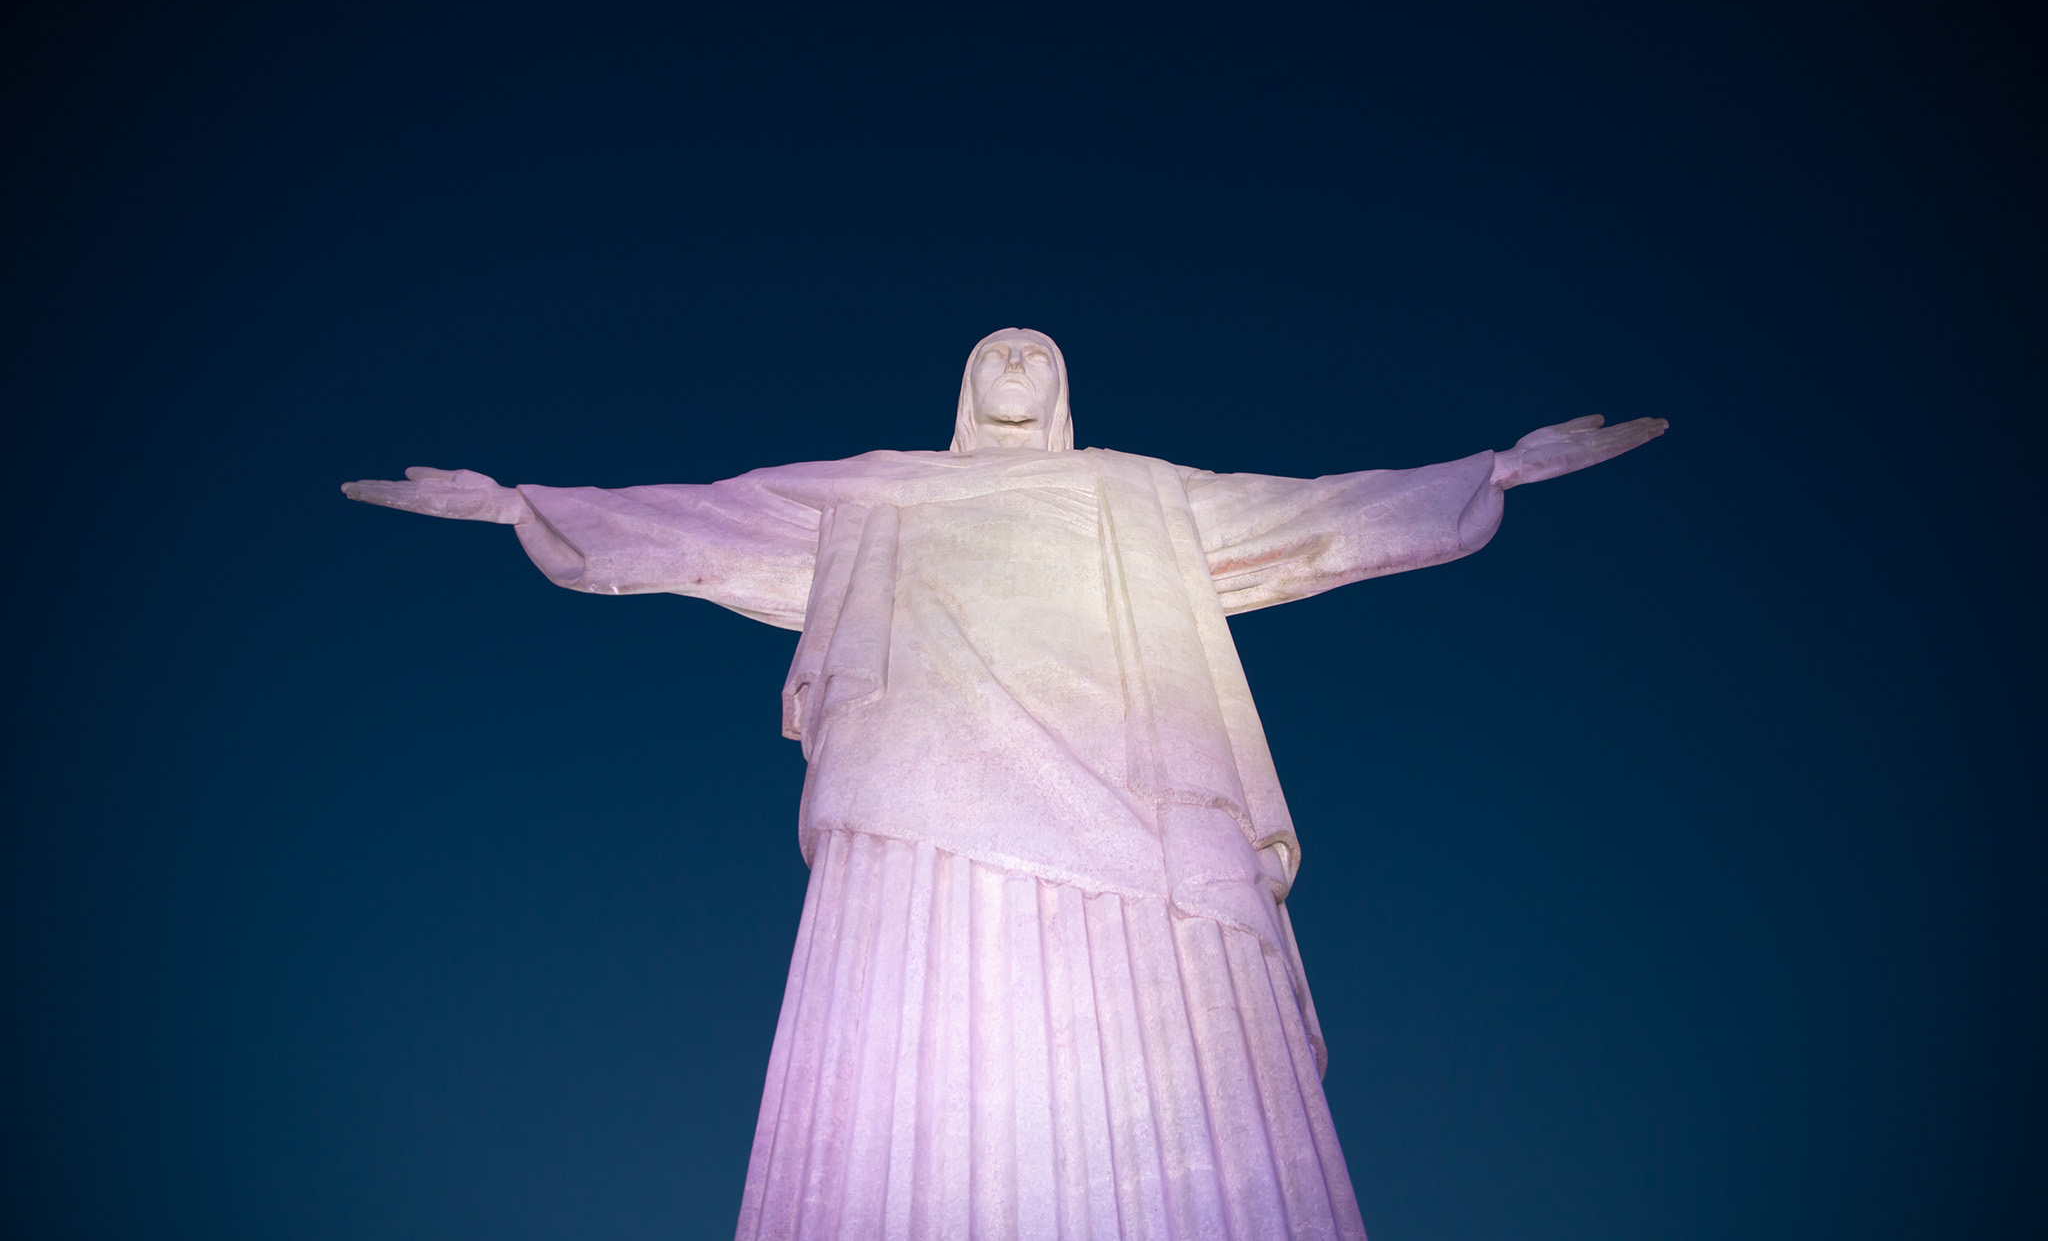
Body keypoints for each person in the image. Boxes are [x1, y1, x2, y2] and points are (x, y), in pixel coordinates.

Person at [344, 328, 1663, 1241]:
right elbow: (701, 519)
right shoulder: (880, 490)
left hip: (1141, 809)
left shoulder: (1137, 492)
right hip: (916, 805)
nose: (1019, 361)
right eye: (997, 352)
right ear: (967, 385)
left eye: (1039, 351)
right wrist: (518, 504)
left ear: (1066, 388)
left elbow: (1315, 517)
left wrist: (1490, 471)